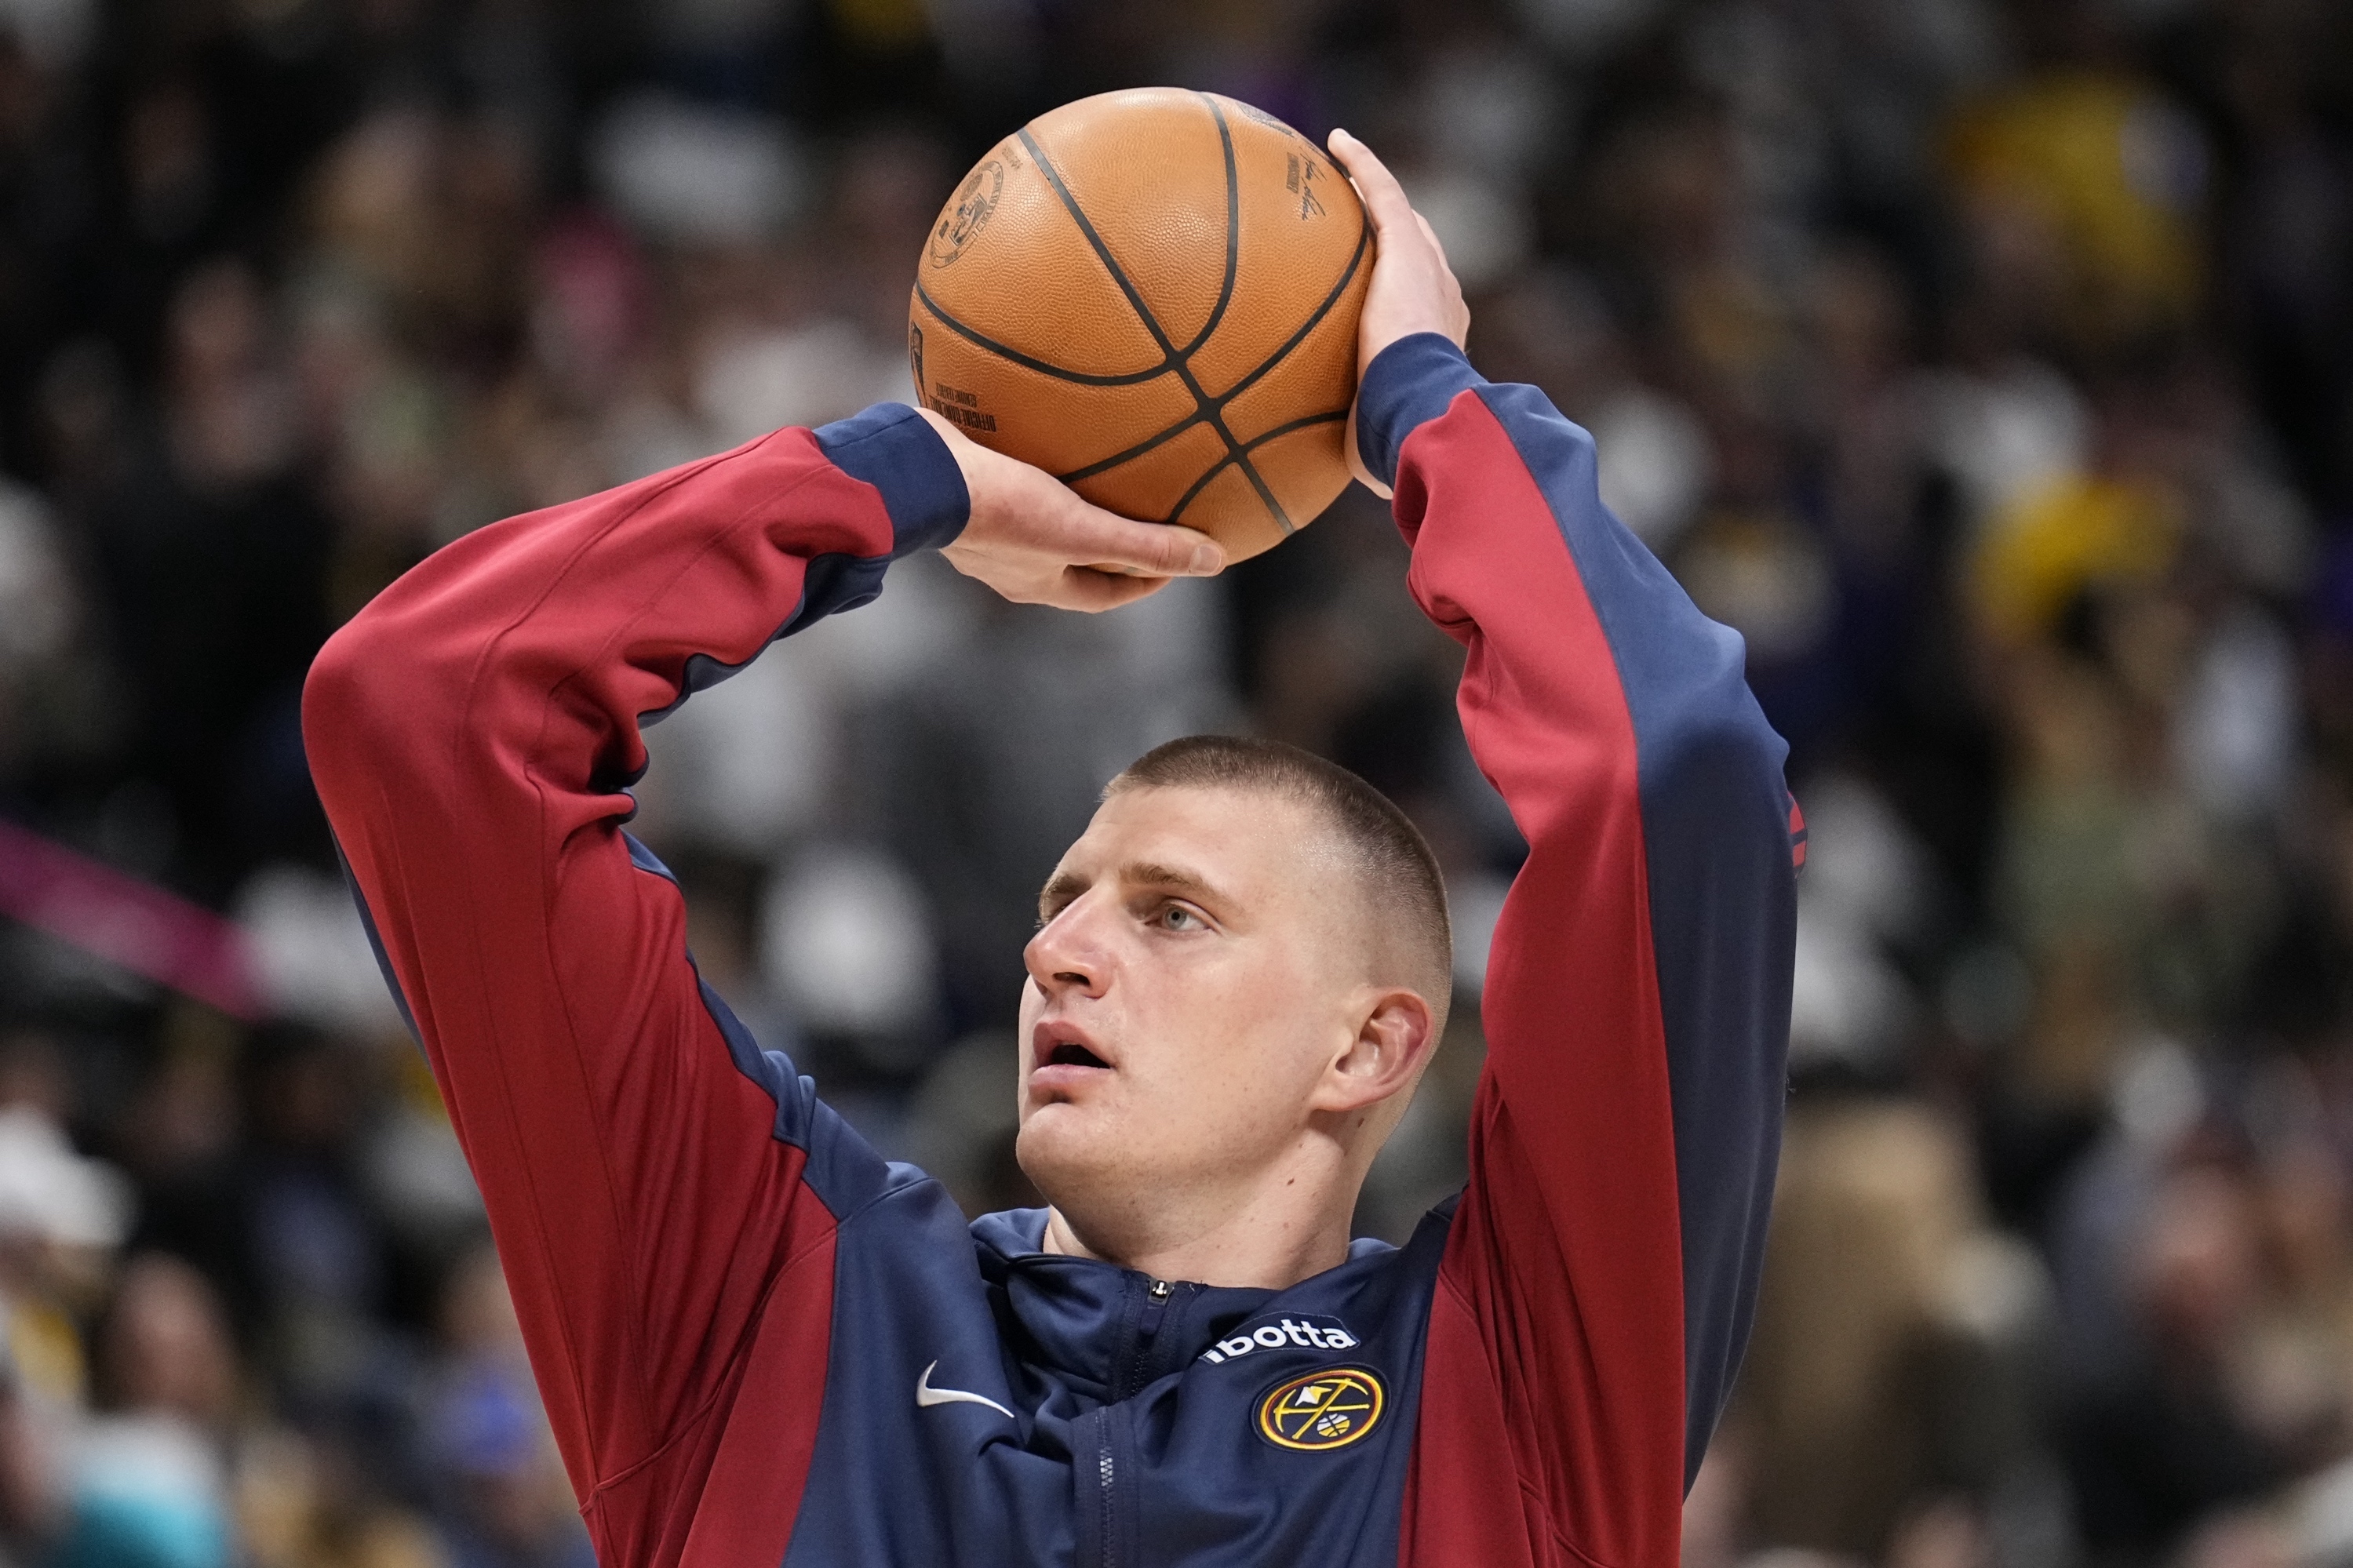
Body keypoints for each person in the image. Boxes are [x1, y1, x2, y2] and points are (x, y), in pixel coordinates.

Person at [303, 131, 1798, 1568]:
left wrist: (1424, 402)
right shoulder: (773, 1298)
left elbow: (1676, 777)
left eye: (1175, 916)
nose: (1055, 951)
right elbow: (427, 712)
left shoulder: (1524, 1380)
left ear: (1371, 1049)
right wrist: (909, 483)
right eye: (1065, 902)